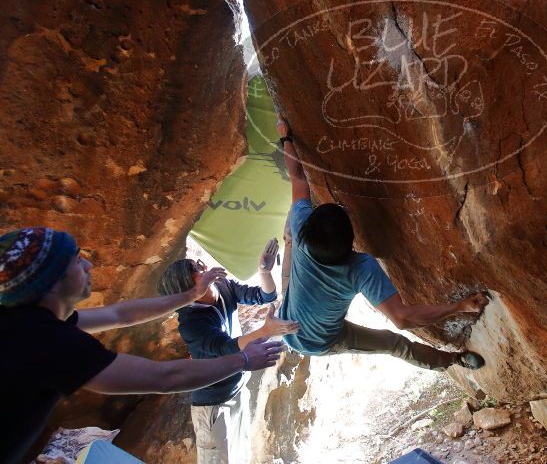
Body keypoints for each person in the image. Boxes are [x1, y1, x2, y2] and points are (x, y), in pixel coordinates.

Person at [0, 227, 285, 463]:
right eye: (75, 260)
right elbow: (164, 378)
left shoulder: (25, 320)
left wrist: (189, 296)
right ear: (51, 282)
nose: (88, 264)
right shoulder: (46, 341)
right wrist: (244, 360)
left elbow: (120, 314)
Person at [275, 115, 489, 370]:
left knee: (289, 253)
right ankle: (452, 360)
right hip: (318, 341)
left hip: (286, 321)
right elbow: (401, 318)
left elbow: (297, 177)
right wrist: (459, 306)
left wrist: (286, 137)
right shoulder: (359, 268)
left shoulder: (301, 229)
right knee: (392, 343)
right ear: (352, 243)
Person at [157, 238, 299, 464]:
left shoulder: (222, 287)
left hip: (237, 389)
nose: (204, 268)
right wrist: (265, 330)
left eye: (198, 263)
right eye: (196, 270)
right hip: (213, 406)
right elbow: (226, 348)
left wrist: (264, 272)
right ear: (187, 290)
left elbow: (264, 296)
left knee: (241, 456)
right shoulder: (191, 323)